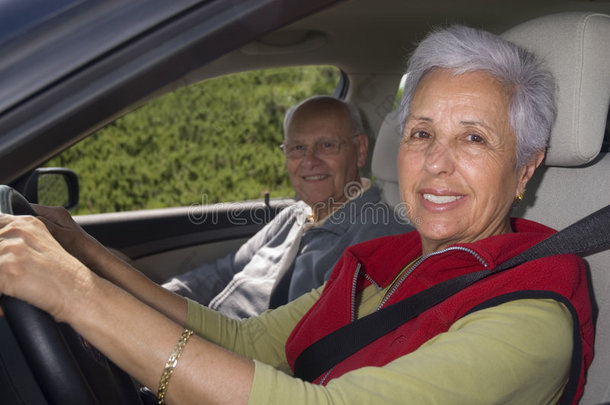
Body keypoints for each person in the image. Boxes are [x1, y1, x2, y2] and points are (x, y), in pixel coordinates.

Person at [0, 24, 594, 405]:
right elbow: (245, 338)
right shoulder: (383, 262)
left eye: (473, 139)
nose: (436, 164)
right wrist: (88, 256)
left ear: (524, 170)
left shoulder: (529, 318)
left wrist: (77, 294)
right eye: (420, 134)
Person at [163, 95, 410, 318]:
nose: (309, 161)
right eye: (297, 148)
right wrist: (161, 297)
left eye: (326, 145)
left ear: (360, 150)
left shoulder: (376, 240)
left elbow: (309, 351)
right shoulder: (296, 215)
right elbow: (223, 271)